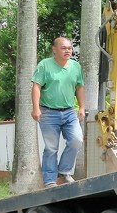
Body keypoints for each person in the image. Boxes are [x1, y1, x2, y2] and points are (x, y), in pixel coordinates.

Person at [31, 37, 85, 188]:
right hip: (48, 113)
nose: (68, 50)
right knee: (51, 148)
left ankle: (64, 172)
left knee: (76, 140)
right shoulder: (45, 65)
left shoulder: (76, 66)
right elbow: (36, 87)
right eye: (63, 48)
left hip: (69, 112)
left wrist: (82, 107)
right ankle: (49, 180)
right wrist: (36, 108)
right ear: (54, 50)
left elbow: (79, 87)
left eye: (70, 48)